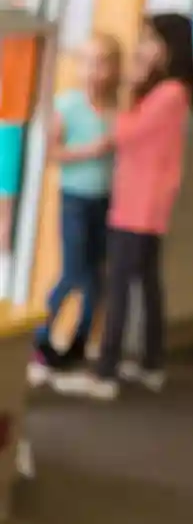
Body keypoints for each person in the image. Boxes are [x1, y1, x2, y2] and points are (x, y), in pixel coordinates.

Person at [54, 14, 193, 400]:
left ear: (170, 47)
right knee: (146, 282)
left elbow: (123, 132)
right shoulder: (174, 92)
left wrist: (133, 82)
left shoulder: (168, 93)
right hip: (145, 203)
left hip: (138, 204)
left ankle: (105, 372)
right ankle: (150, 363)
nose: (143, 49)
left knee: (120, 283)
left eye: (151, 41)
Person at [28, 32, 120, 383]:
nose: (95, 70)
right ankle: (40, 338)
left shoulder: (116, 108)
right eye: (89, 62)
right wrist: (92, 150)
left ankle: (79, 343)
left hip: (106, 201)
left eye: (102, 62)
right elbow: (53, 154)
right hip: (75, 198)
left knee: (96, 276)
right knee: (73, 272)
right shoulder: (67, 105)